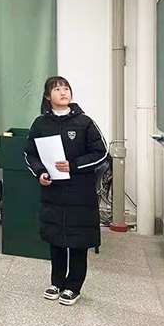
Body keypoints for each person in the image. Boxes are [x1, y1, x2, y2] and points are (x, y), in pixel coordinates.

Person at [23, 76, 108, 306]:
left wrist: (74, 165)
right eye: (57, 89)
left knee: (78, 240)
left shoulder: (85, 122)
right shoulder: (40, 124)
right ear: (47, 96)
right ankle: (57, 282)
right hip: (53, 192)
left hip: (80, 193)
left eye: (66, 88)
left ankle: (73, 287)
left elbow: (101, 153)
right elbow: (30, 153)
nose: (63, 93)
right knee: (56, 238)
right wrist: (40, 173)